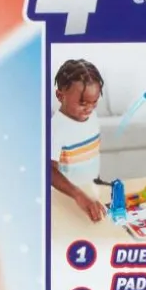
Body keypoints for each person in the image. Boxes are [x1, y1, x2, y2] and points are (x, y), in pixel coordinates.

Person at [49, 58, 106, 223]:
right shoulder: (56, 128)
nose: (89, 108)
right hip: (68, 199)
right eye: (82, 103)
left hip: (90, 194)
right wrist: (78, 195)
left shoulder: (92, 116)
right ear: (60, 96)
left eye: (94, 102)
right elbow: (49, 171)